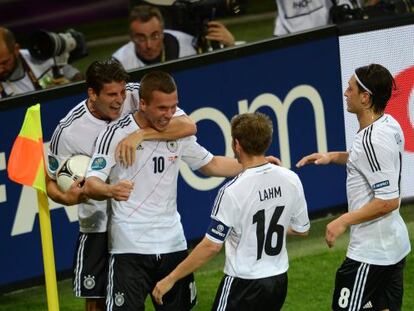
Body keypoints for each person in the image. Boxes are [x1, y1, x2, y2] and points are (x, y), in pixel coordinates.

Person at [84, 72, 281, 311]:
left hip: (173, 244)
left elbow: (211, 165)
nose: (170, 114)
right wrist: (110, 190)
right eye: (162, 108)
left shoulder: (177, 132)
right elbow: (91, 184)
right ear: (143, 104)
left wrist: (256, 163)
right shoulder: (113, 134)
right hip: (129, 247)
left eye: (174, 107)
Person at [46, 60, 196, 311]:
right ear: (92, 93)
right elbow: (51, 182)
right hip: (98, 222)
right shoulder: (69, 131)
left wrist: (141, 134)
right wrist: (68, 199)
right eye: (111, 94)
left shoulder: (138, 95)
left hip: (137, 226)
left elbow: (188, 126)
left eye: (122, 92)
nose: (120, 100)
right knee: (97, 301)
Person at [152, 112, 310, 310]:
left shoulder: (232, 191)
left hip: (243, 285)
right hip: (278, 281)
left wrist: (170, 278)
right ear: (267, 142)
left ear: (236, 144)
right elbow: (301, 229)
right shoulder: (291, 179)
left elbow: (211, 246)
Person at [296, 64, 411, 311]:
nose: (346, 93)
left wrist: (343, 221)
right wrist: (333, 157)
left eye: (351, 89)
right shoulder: (388, 123)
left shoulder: (371, 140)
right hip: (392, 246)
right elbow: (370, 162)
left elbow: (387, 201)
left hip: (371, 253)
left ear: (365, 97)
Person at [112, 5, 235, 70]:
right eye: (141, 38)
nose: (149, 45)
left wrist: (231, 47)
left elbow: (218, 71)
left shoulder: (188, 45)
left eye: (155, 36)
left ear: (162, 31)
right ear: (131, 37)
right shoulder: (120, 63)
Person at [0, 26, 82, 99]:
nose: (0, 70)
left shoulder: (43, 58)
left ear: (16, 49)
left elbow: (79, 79)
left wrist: (70, 87)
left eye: (4, 62)